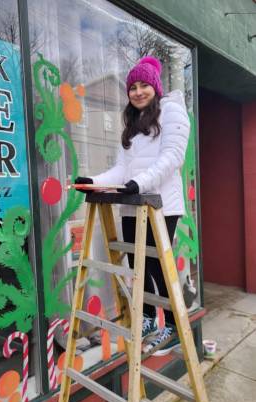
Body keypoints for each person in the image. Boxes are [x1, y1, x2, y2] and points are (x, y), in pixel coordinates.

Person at [75, 56, 190, 355]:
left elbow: (172, 158)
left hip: (159, 205)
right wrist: (93, 181)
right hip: (132, 203)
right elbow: (121, 170)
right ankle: (150, 319)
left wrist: (140, 183)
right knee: (139, 266)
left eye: (144, 86)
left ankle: (175, 329)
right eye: (133, 87)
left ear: (156, 87)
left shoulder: (172, 112)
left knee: (157, 265)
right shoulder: (133, 124)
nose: (138, 92)